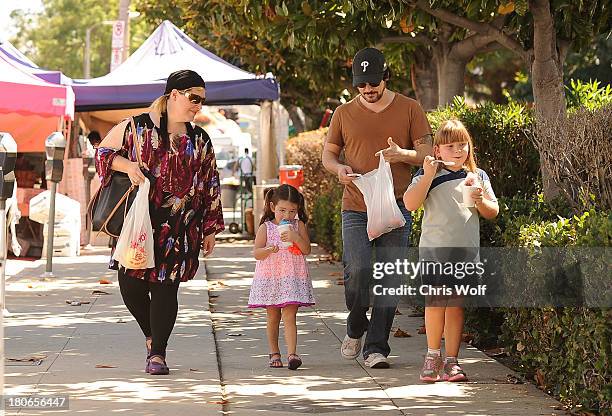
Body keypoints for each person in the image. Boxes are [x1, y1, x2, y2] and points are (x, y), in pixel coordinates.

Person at [95, 70, 224, 376]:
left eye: (202, 100)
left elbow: (210, 184)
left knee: (166, 289)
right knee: (129, 286)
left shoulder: (200, 139)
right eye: (194, 98)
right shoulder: (136, 126)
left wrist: (210, 229)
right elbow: (102, 153)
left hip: (182, 228)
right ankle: (151, 334)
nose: (198, 106)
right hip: (138, 224)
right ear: (174, 95)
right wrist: (127, 165)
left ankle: (158, 354)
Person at [322, 47, 433, 369]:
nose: (368, 91)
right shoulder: (343, 113)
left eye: (373, 84)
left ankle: (376, 348)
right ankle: (356, 325)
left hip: (398, 207)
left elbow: (426, 152)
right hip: (356, 205)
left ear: (386, 78)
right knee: (357, 270)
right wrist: (337, 169)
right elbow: (329, 155)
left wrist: (404, 155)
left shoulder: (410, 108)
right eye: (362, 86)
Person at [403, 119, 499, 382]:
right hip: (434, 253)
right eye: (449, 146)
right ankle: (432, 356)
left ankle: (452, 361)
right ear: (437, 151)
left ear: (469, 147)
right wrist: (427, 175)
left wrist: (480, 200)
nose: (457, 150)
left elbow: (493, 211)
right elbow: (410, 204)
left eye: (462, 144)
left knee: (455, 307)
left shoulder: (477, 177)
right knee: (435, 305)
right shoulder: (428, 177)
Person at [247, 184, 315, 370]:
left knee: (290, 314)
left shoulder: (298, 225)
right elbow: (256, 253)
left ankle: (292, 354)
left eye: (292, 211)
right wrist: (269, 249)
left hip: (292, 277)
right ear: (272, 207)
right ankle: (274, 352)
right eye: (282, 210)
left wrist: (294, 236)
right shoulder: (266, 228)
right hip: (271, 277)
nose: (287, 215)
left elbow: (306, 249)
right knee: (273, 316)